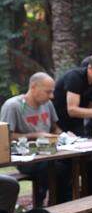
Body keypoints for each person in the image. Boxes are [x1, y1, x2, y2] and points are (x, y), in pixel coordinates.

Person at [0, 72, 71, 206]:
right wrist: (35, 135)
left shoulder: (47, 104)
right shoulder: (13, 106)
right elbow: (5, 136)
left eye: (52, 92)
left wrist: (64, 136)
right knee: (57, 169)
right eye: (48, 92)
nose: (52, 96)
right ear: (33, 87)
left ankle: (63, 205)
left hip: (49, 152)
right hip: (26, 158)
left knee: (73, 163)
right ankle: (47, 205)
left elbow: (54, 128)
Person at [54, 54, 92, 137]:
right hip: (58, 122)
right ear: (90, 68)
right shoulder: (75, 77)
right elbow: (72, 110)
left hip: (77, 122)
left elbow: (90, 108)